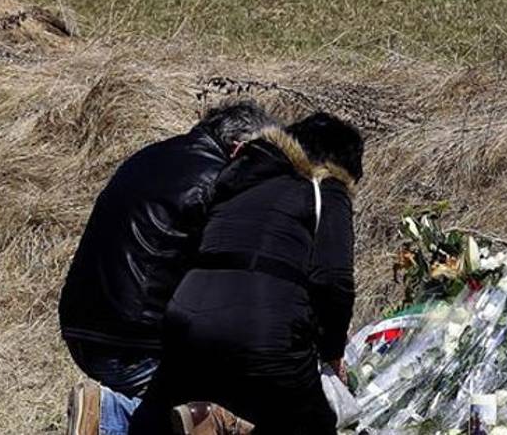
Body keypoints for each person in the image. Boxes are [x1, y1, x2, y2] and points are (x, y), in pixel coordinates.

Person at [129, 112, 364, 435]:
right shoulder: (327, 189)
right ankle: (219, 426)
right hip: (263, 330)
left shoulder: (241, 182)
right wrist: (332, 352)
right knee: (311, 424)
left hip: (185, 317)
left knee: (158, 420)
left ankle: (103, 414)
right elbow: (332, 280)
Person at [60, 101, 276, 435]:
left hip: (83, 328)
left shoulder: (152, 156)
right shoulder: (223, 186)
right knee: (238, 413)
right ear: (240, 149)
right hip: (133, 345)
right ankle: (110, 419)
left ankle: (106, 415)